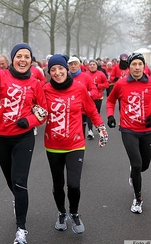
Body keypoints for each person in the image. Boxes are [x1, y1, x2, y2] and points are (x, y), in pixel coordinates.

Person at [0, 43, 47, 244]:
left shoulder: (35, 83)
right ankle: (18, 199)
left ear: (31, 60)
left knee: (19, 182)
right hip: (0, 138)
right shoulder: (0, 76)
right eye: (19, 56)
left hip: (23, 138)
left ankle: (21, 229)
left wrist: (30, 121)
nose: (23, 60)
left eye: (27, 56)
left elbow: (42, 111)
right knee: (11, 181)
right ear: (13, 59)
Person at [43, 54, 108, 234]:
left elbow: (91, 110)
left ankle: (74, 212)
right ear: (49, 72)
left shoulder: (79, 88)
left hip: (75, 144)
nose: (57, 73)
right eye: (53, 70)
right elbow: (36, 111)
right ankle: (61, 213)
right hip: (53, 145)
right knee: (57, 184)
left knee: (74, 184)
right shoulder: (45, 90)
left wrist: (101, 127)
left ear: (66, 69)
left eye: (60, 68)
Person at [106, 53, 151, 214]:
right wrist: (111, 115)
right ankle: (138, 199)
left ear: (144, 66)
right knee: (137, 164)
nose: (137, 67)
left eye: (140, 64)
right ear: (129, 66)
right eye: (134, 64)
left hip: (147, 130)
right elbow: (111, 100)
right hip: (128, 129)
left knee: (144, 166)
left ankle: (134, 174)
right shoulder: (121, 83)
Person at [67, 56, 98, 138]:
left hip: (82, 111)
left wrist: (87, 94)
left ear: (79, 65)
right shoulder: (65, 78)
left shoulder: (86, 77)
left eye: (75, 64)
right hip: (68, 111)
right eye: (71, 64)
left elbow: (95, 92)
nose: (73, 66)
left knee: (80, 135)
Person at [86, 59, 109, 140]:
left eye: (94, 64)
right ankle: (90, 131)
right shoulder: (86, 75)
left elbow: (106, 84)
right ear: (88, 66)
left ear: (96, 66)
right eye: (90, 64)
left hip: (98, 97)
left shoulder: (101, 74)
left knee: (96, 114)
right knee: (89, 114)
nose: (92, 66)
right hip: (89, 98)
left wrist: (98, 85)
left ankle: (98, 128)